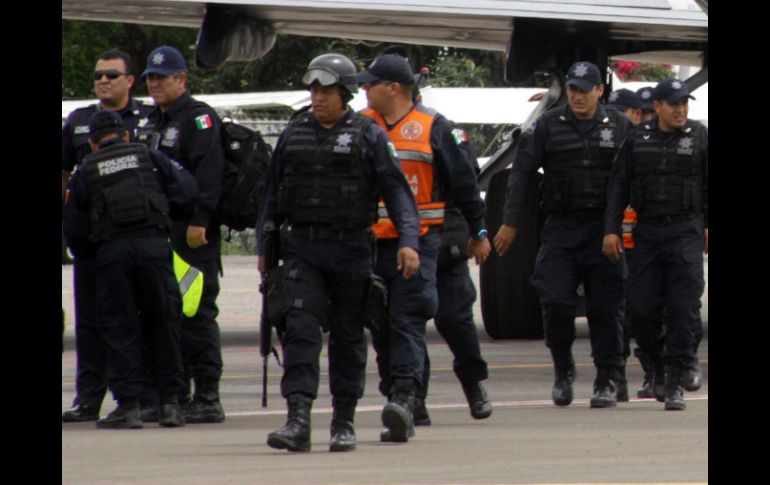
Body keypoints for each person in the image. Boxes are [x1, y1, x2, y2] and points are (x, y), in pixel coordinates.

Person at [258, 53, 421, 452]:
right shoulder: (293, 134)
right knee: (298, 327)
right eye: (313, 90)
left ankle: (343, 421)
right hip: (302, 249)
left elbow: (398, 193)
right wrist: (265, 243)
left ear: (344, 93)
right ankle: (298, 418)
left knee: (348, 336)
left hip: (350, 250)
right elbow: (271, 193)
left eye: (326, 90)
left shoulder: (369, 135)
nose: (318, 98)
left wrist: (409, 241)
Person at [358, 54, 490, 442]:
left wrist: (478, 233)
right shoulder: (365, 126)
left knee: (440, 320)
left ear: (394, 88)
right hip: (375, 244)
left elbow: (465, 186)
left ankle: (464, 385)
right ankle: (410, 400)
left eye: (371, 84)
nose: (364, 90)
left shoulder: (435, 128)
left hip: (431, 243)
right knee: (384, 325)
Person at [493, 61, 632, 408]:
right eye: (572, 90)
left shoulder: (620, 126)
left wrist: (626, 228)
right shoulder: (548, 126)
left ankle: (606, 378)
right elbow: (522, 173)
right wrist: (510, 222)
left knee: (606, 308)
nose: (577, 96)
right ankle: (563, 368)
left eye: (584, 90)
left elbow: (634, 177)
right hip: (561, 229)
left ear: (600, 91)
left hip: (604, 229)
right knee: (555, 301)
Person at [63, 110, 198, 428]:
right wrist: (166, 221)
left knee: (120, 329)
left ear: (93, 143)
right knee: (164, 324)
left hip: (113, 255)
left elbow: (74, 226)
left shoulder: (86, 170)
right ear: (125, 135)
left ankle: (130, 407)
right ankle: (170, 405)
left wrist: (94, 253)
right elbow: (186, 192)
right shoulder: (149, 156)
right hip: (154, 247)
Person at [602, 78, 708, 411]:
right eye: (674, 103)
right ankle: (655, 364)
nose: (680, 110)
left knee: (683, 307)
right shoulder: (636, 140)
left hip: (685, 230)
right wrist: (611, 230)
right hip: (647, 233)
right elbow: (618, 186)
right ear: (658, 107)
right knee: (642, 309)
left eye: (684, 104)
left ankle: (676, 378)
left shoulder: (700, 136)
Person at [135, 45, 227, 423]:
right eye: (151, 78)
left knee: (196, 311)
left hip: (191, 233)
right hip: (160, 231)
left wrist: (199, 221)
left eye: (163, 77)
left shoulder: (198, 118)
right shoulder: (152, 120)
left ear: (182, 79)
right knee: (164, 311)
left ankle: (207, 394)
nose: (155, 84)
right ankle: (175, 389)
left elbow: (209, 174)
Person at [61, 50, 153, 423]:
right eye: (98, 75)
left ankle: (138, 396)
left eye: (111, 75)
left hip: (132, 236)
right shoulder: (79, 121)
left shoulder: (147, 119)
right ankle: (88, 397)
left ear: (129, 81)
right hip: (92, 240)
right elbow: (63, 171)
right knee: (90, 322)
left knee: (138, 318)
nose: (103, 81)